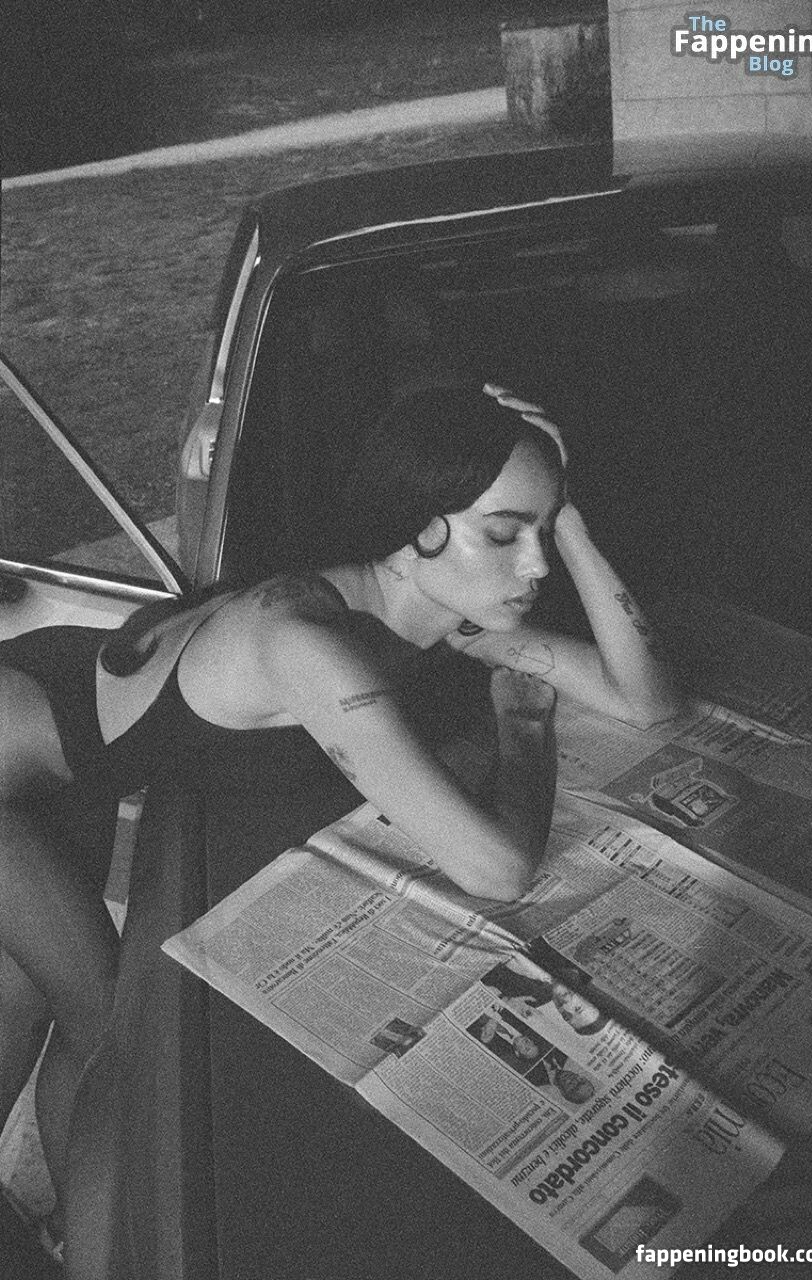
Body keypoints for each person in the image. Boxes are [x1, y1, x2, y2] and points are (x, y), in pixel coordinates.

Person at [0, 382, 680, 1268]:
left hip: (60, 751)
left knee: (48, 1004)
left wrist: (569, 511)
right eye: (505, 534)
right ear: (418, 529)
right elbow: (498, 870)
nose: (537, 566)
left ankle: (60, 1233)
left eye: (544, 532)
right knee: (113, 1035)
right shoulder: (308, 643)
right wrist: (523, 729)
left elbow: (648, 701)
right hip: (20, 746)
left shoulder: (429, 615)